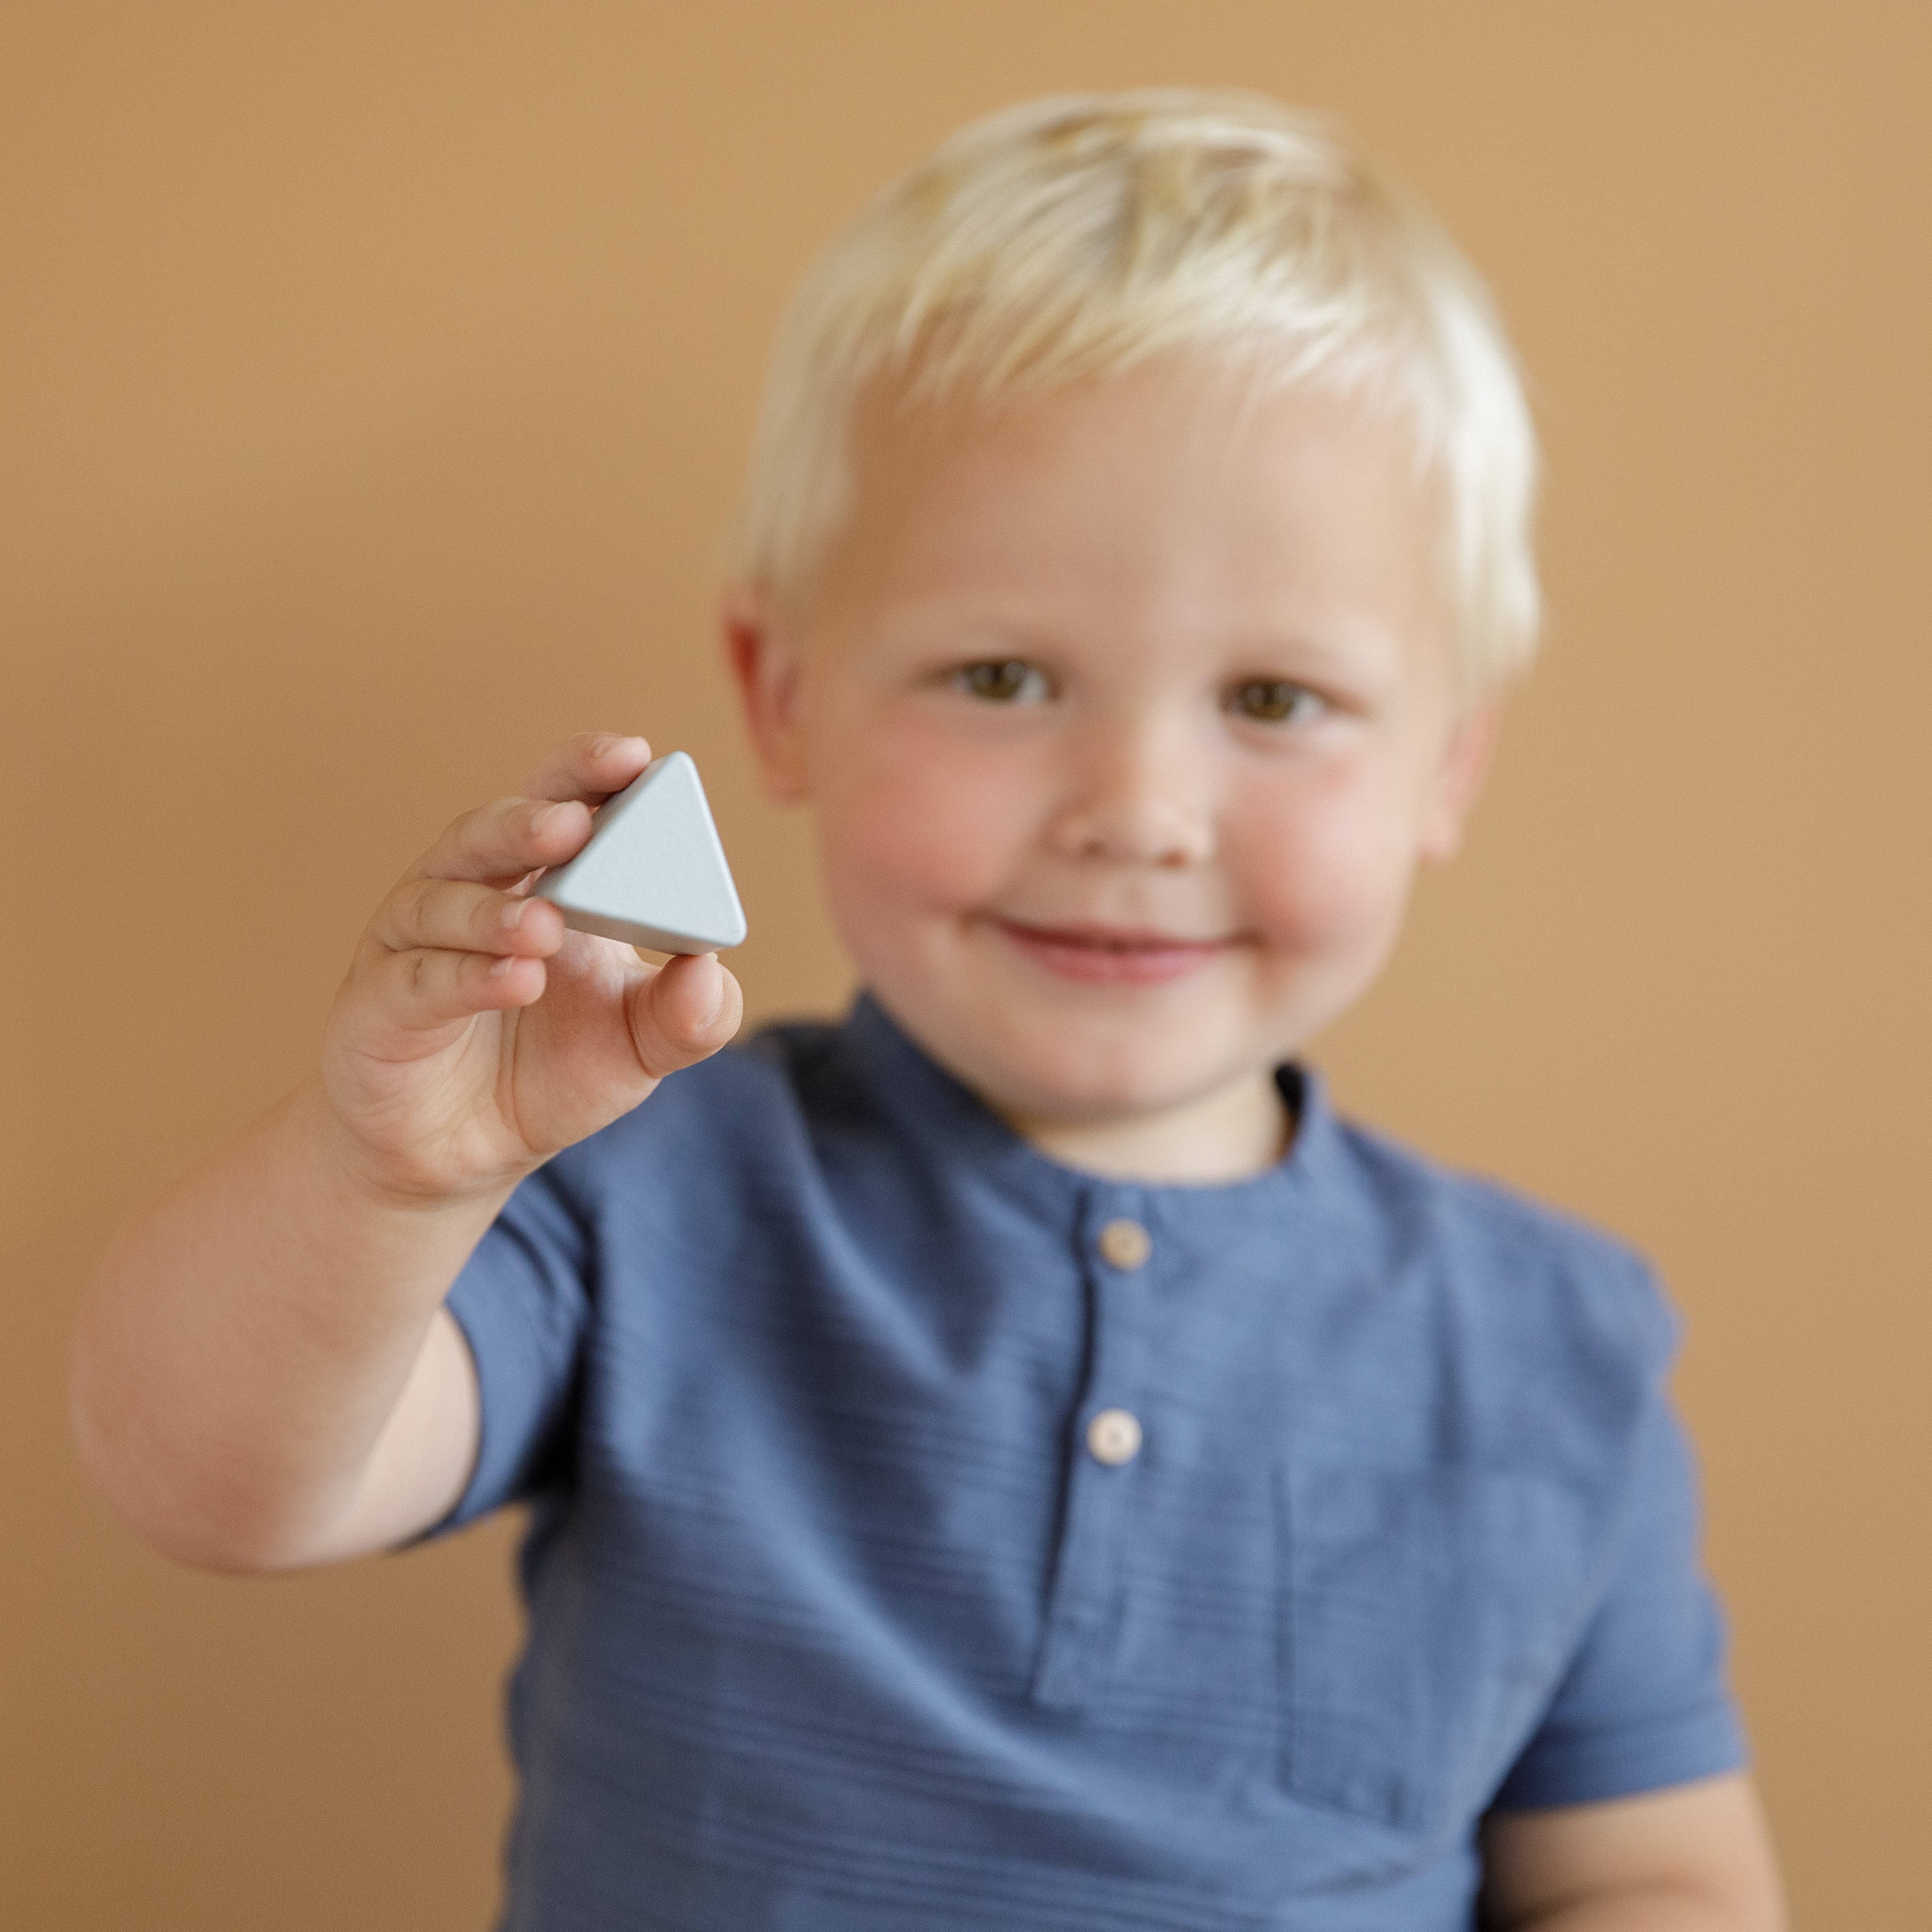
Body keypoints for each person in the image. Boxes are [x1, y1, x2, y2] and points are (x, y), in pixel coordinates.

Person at [72, 92, 1786, 1930]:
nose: (1135, 810)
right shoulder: (636, 1183)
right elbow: (210, 1482)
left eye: (1275, 700)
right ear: (787, 693)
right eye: (1001, 672)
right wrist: (387, 1176)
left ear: (1447, 767)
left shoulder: (1553, 1351)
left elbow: (1657, 1876)